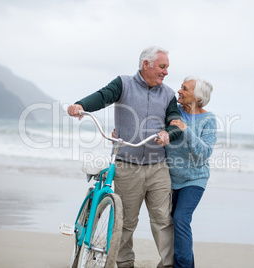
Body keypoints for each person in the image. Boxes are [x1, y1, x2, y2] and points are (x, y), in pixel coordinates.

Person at [67, 46, 181, 268]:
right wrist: (81, 105)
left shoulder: (168, 94)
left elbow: (174, 120)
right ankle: (125, 264)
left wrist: (169, 133)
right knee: (125, 223)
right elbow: (103, 96)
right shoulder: (124, 83)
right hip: (127, 166)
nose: (166, 72)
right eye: (162, 66)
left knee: (163, 221)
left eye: (167, 67)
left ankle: (168, 265)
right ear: (146, 64)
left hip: (158, 167)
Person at [166, 76, 217, 268]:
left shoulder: (208, 119)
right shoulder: (174, 112)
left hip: (194, 180)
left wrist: (185, 129)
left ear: (197, 97)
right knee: (175, 225)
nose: (179, 91)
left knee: (181, 219)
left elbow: (204, 153)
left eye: (185, 89)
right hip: (170, 178)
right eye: (181, 87)